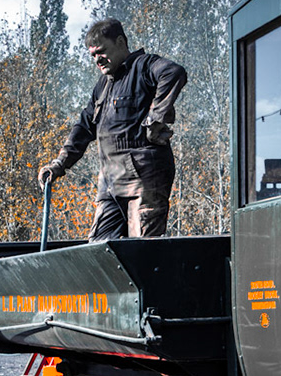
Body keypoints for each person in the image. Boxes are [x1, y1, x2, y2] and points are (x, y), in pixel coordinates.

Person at [40, 19, 188, 239]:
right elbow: (84, 126)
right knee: (98, 248)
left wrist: (155, 118)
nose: (97, 59)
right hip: (110, 181)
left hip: (142, 179)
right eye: (93, 55)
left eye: (101, 51)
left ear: (120, 42)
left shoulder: (143, 66)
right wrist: (59, 164)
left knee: (141, 248)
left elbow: (173, 72)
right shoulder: (102, 86)